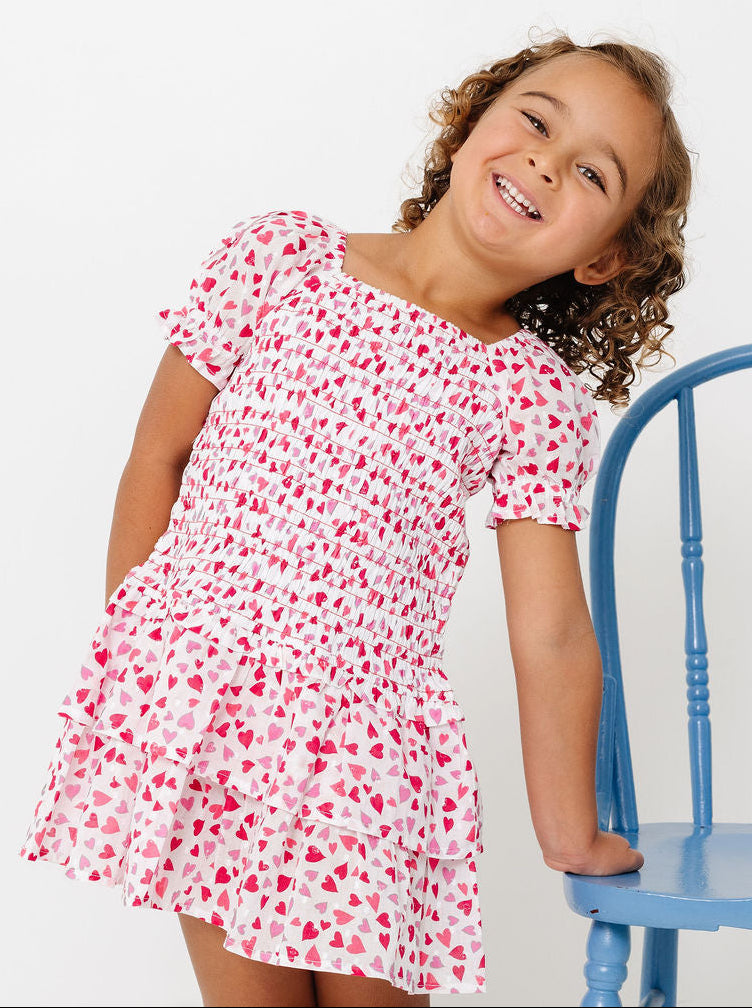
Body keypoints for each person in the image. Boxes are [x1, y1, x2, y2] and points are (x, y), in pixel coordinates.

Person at [18, 30, 691, 1008]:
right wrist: (145, 676)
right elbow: (156, 458)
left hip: (369, 759)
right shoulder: (280, 263)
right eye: (535, 122)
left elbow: (547, 628)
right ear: (467, 128)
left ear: (604, 258)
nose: (545, 160)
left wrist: (567, 829)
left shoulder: (527, 396)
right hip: (214, 718)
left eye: (590, 171)